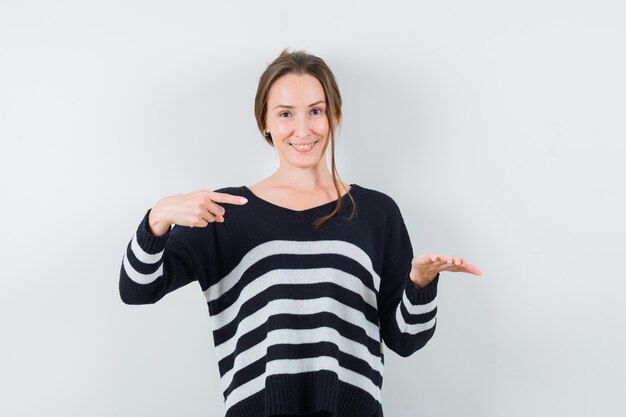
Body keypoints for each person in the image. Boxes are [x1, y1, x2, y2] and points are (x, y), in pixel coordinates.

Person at [119, 48, 481, 417]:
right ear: (266, 122)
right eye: (286, 114)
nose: (303, 129)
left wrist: (420, 283)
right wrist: (156, 220)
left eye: (315, 111)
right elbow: (137, 290)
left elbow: (405, 339)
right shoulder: (225, 213)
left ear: (334, 115)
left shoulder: (377, 212)